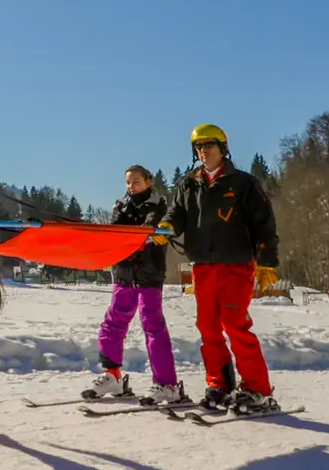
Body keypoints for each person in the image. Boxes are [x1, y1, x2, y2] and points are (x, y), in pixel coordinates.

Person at [166, 124, 282, 415]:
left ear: (223, 148)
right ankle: (219, 383)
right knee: (207, 326)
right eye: (199, 147)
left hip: (236, 264)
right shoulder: (188, 183)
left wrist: (267, 261)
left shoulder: (243, 182)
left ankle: (258, 389)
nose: (203, 151)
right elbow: (176, 214)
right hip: (204, 265)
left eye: (209, 146)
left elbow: (264, 224)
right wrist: (165, 227)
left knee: (234, 323)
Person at [83, 165, 187, 406]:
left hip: (149, 274)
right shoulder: (120, 205)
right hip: (123, 273)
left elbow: (152, 222)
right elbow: (115, 228)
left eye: (136, 181)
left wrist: (139, 234)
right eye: (128, 182)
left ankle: (167, 384)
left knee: (152, 323)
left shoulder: (159, 204)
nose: (132, 186)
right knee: (114, 321)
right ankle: (112, 375)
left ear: (148, 182)